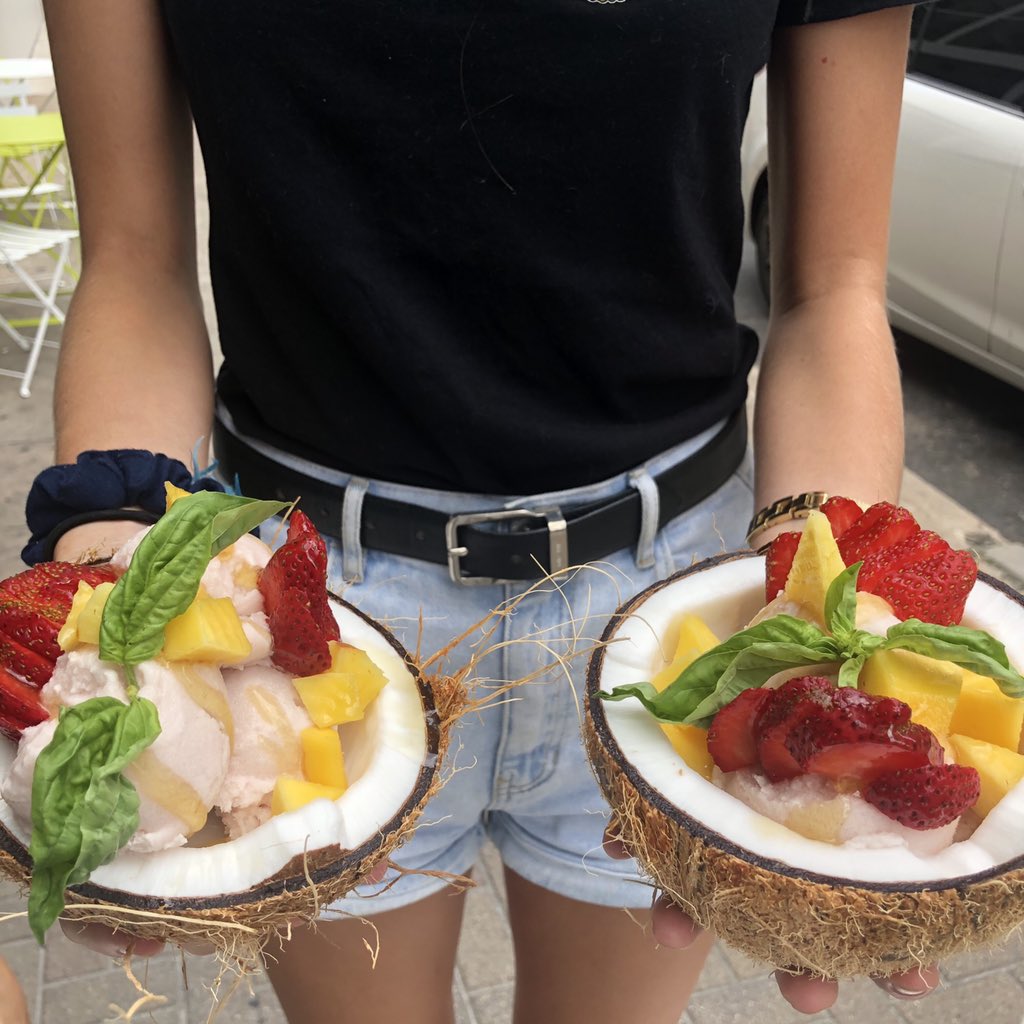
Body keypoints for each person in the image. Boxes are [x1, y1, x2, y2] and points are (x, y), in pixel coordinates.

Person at [28, 0, 937, 1020]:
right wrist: (119, 601)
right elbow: (135, 258)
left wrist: (826, 622)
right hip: (298, 623)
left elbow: (834, 286)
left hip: (677, 610)